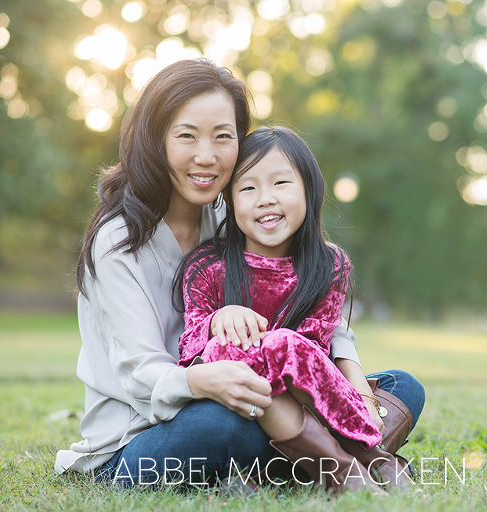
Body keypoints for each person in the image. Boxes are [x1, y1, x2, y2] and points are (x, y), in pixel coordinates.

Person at [54, 58, 425, 490]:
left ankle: (307, 461)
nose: (206, 156)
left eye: (223, 136)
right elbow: (140, 377)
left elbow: (318, 304)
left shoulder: (232, 210)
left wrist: (356, 388)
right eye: (187, 136)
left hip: (256, 388)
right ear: (155, 140)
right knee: (224, 424)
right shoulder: (118, 241)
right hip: (145, 434)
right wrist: (206, 380)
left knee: (401, 387)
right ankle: (332, 465)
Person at [176, 126, 414, 494]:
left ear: (309, 189)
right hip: (240, 407)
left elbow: (315, 352)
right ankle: (357, 468)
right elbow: (190, 346)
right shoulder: (207, 266)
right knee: (245, 366)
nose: (265, 199)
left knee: (404, 387)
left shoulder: (329, 264)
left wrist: (356, 393)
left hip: (312, 400)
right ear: (229, 201)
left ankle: (350, 466)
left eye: (281, 183)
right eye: (248, 188)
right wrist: (218, 319)